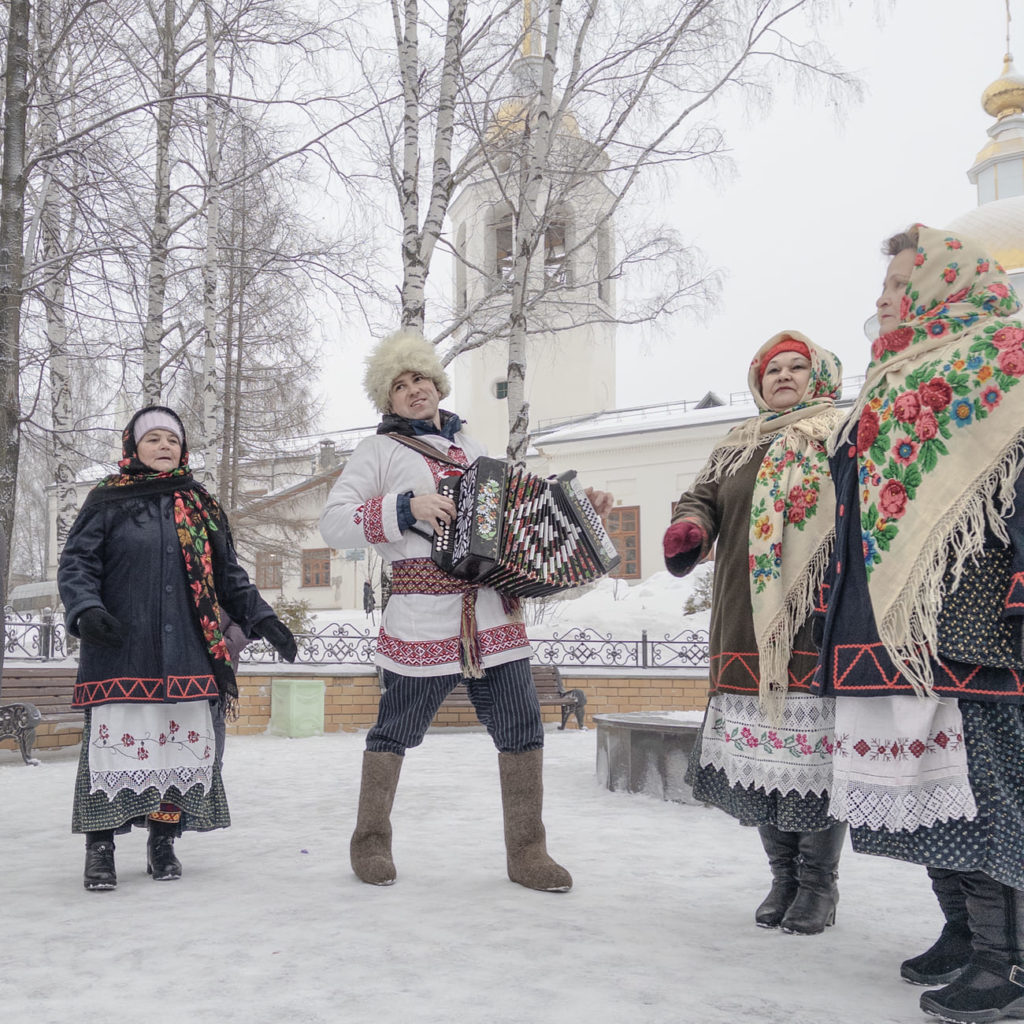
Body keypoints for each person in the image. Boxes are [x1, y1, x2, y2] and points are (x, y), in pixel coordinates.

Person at [813, 224, 1024, 1023]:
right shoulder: (895, 374)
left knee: (982, 791)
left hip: (969, 620)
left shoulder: (1002, 360)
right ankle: (965, 933)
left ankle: (1008, 966)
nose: (883, 297)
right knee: (921, 786)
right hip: (889, 622)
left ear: (943, 282)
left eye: (899, 283)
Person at [320, 329, 612, 892]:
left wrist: (573, 508)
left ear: (437, 384)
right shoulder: (377, 451)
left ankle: (528, 853)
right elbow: (334, 522)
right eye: (400, 386)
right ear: (388, 400)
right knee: (395, 729)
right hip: (422, 615)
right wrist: (405, 507)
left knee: (522, 726)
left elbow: (516, 514)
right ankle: (370, 842)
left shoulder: (473, 447)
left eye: (421, 379)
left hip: (491, 614)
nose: (414, 391)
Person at [58, 405, 297, 891]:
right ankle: (99, 850)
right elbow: (77, 563)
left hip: (188, 654)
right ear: (133, 448)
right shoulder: (107, 500)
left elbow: (228, 576)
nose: (165, 446)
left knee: (175, 751)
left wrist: (265, 618)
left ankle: (163, 842)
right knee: (111, 753)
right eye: (154, 439)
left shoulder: (201, 503)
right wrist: (84, 609)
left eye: (173, 439)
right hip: (121, 650)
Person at [663, 331, 847, 935]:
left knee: (811, 757)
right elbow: (702, 498)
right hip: (742, 621)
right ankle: (783, 878)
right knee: (761, 757)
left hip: (814, 620)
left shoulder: (840, 435)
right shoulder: (737, 444)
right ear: (758, 381)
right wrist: (690, 526)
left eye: (798, 367)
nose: (785, 376)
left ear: (820, 376)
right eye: (774, 370)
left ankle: (819, 885)